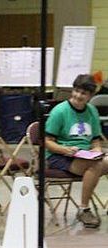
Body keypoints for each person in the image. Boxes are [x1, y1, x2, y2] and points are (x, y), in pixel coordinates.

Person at [45, 74, 108, 228]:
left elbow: (95, 139)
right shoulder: (60, 111)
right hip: (59, 155)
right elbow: (47, 142)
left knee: (102, 161)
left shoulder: (92, 111)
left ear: (90, 96)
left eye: (83, 93)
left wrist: (97, 149)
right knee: (96, 165)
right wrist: (65, 149)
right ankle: (83, 209)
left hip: (85, 155)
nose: (78, 96)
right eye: (77, 91)